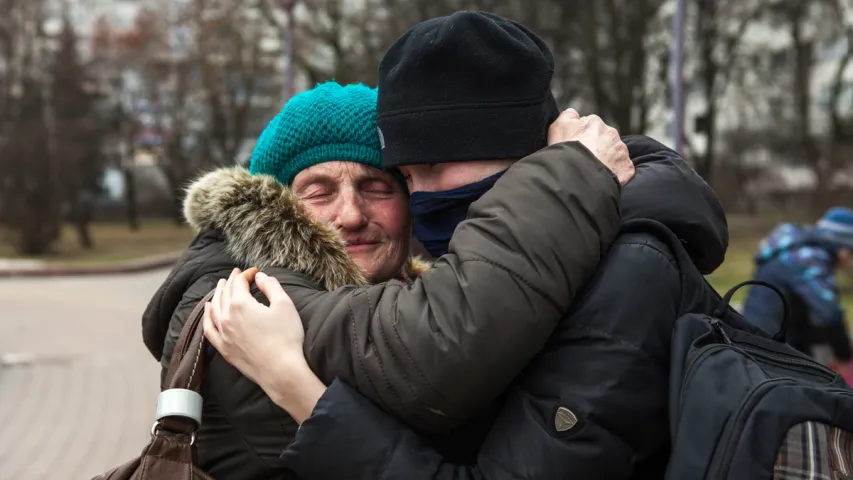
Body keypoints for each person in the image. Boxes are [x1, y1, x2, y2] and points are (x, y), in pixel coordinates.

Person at [204, 12, 732, 479]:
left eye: (428, 168)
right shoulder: (238, 296)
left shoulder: (623, 271)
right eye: (407, 177)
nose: (421, 196)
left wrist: (301, 390)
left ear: (523, 156)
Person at [143, 79, 629, 480]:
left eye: (377, 188)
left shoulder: (413, 293)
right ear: (276, 207)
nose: (351, 214)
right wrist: (572, 174)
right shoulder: (241, 299)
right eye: (319, 192)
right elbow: (435, 347)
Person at [742, 207, 853, 377]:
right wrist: (844, 356)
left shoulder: (794, 251)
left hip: (762, 336)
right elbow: (829, 314)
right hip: (768, 349)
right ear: (843, 247)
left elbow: (803, 318)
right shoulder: (810, 259)